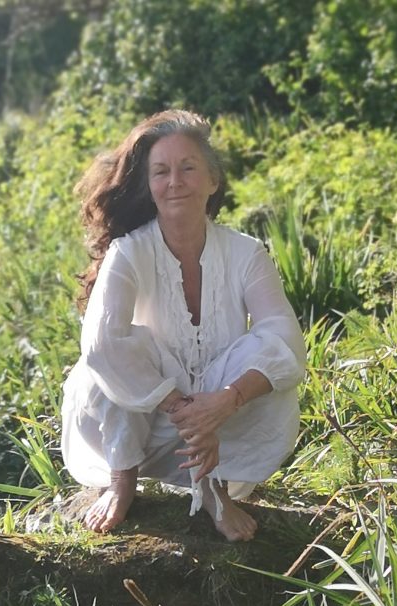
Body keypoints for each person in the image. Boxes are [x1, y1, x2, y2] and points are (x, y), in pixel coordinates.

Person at [60, 110, 306, 542]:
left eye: (188, 168)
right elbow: (101, 345)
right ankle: (123, 481)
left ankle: (213, 489)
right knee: (112, 356)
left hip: (221, 421)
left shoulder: (247, 253)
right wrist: (183, 408)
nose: (175, 181)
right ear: (150, 187)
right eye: (161, 171)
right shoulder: (128, 253)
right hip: (145, 418)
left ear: (212, 180)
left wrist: (225, 402)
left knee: (267, 359)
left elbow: (287, 341)